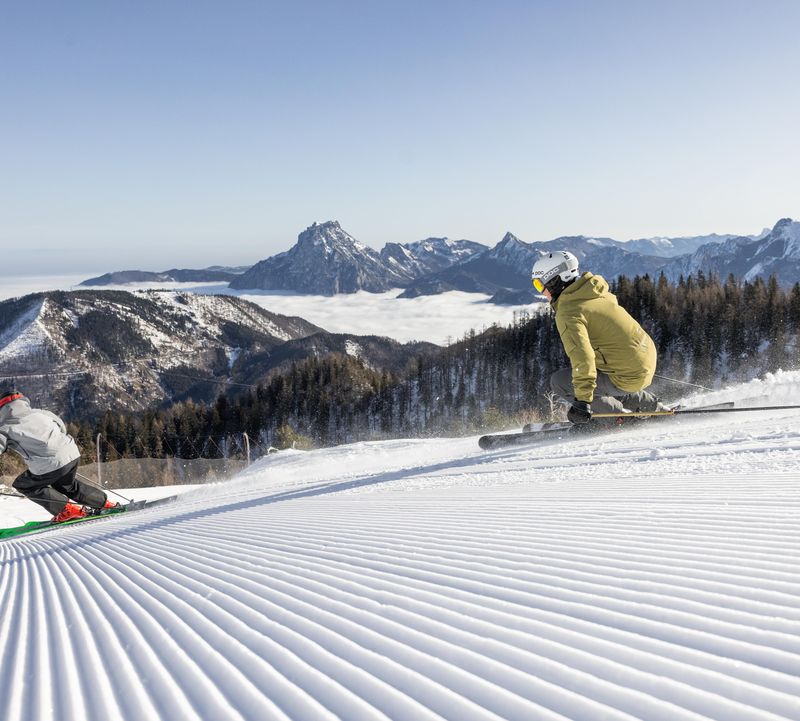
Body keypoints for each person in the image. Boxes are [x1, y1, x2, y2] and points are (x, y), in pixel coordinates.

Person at [531, 251, 661, 424]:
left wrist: (582, 402)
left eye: (539, 285)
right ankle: (649, 405)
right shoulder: (594, 291)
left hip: (629, 372)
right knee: (604, 375)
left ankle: (617, 419)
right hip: (644, 358)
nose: (542, 292)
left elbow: (583, 359)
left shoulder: (569, 311)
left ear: (555, 280)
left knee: (559, 381)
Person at [0, 386, 117, 522]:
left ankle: (67, 510)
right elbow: (61, 426)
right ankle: (104, 504)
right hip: (71, 453)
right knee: (67, 485)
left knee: (24, 484)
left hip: (49, 464)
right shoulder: (42, 413)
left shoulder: (4, 428)